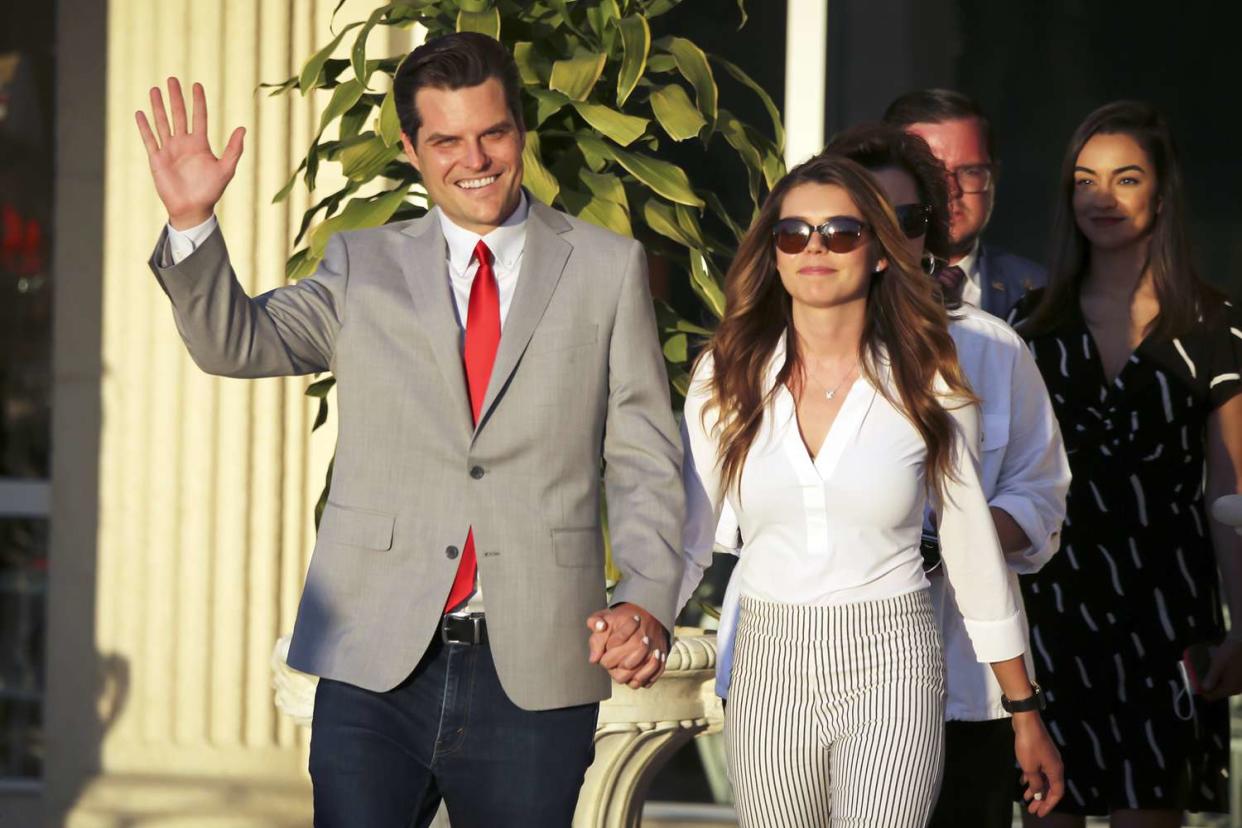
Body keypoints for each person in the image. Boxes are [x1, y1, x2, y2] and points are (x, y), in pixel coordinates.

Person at [134, 32, 685, 827]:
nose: (477, 158)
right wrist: (192, 224)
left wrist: (646, 598)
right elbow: (235, 343)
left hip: (534, 665)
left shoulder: (606, 267)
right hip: (374, 658)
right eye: (447, 140)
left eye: (493, 132)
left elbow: (643, 454)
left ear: (520, 129)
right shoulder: (361, 265)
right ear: (412, 148)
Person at [678, 153, 1063, 826]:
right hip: (769, 658)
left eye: (842, 233)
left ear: (882, 251)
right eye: (793, 234)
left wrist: (1022, 708)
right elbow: (686, 526)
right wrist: (644, 616)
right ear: (772, 253)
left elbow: (972, 550)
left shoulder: (931, 374)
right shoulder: (728, 371)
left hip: (894, 658)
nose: (815, 248)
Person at [819, 123, 1071, 828]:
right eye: (859, 218)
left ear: (932, 231)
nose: (884, 236)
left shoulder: (992, 350)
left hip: (960, 681)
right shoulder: (772, 353)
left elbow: (1042, 498)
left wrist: (954, 537)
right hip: (808, 684)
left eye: (907, 219)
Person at [1012, 101, 1242, 827]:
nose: (1100, 198)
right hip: (1049, 613)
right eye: (1084, 180)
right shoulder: (1029, 327)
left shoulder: (1214, 326)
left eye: (1125, 179)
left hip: (1166, 617)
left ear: (1163, 194)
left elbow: (1232, 492)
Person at [884, 88, 1045, 318]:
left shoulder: (1041, 293)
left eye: (970, 171)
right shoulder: (853, 284)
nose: (951, 190)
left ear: (993, 178)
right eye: (931, 172)